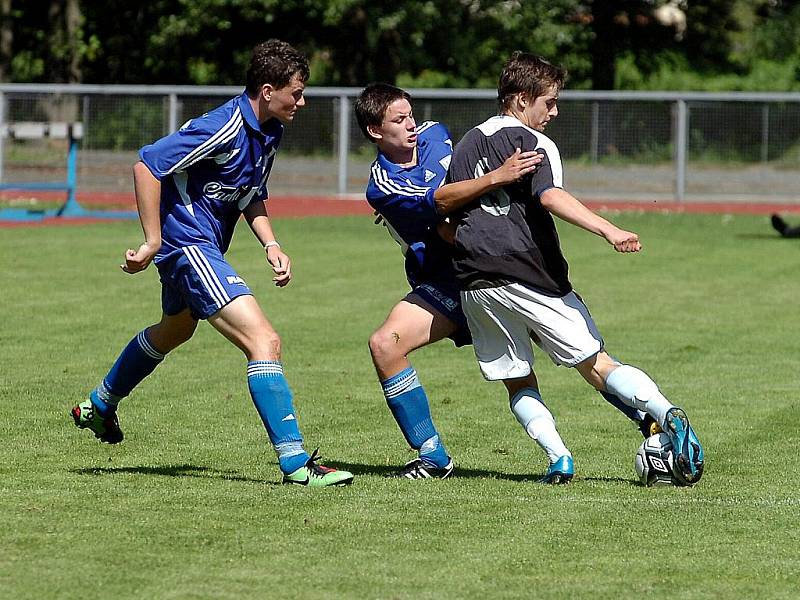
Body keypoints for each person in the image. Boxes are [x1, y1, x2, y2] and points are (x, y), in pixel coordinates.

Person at [71, 39, 353, 488]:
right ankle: (296, 464)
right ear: (267, 90)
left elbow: (249, 194)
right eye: (296, 93)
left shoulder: (270, 131)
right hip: (188, 246)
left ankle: (100, 404)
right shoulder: (222, 126)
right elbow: (147, 165)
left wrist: (271, 244)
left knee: (175, 330)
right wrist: (151, 241)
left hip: (202, 247)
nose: (302, 101)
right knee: (265, 341)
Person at [355, 83, 655, 480]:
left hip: (497, 265)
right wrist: (497, 176)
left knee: (583, 359)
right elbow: (442, 203)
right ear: (376, 131)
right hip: (448, 281)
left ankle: (649, 422)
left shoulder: (436, 134)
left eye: (410, 114)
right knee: (385, 345)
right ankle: (433, 456)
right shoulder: (385, 184)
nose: (412, 125)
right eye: (399, 119)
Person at [447, 52, 704, 485]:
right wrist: (608, 229)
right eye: (548, 102)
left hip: (475, 279)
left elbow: (446, 208)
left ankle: (559, 458)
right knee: (596, 363)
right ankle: (667, 415)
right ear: (522, 98)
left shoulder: (469, 140)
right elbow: (550, 196)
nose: (554, 111)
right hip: (530, 274)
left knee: (517, 380)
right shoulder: (534, 143)